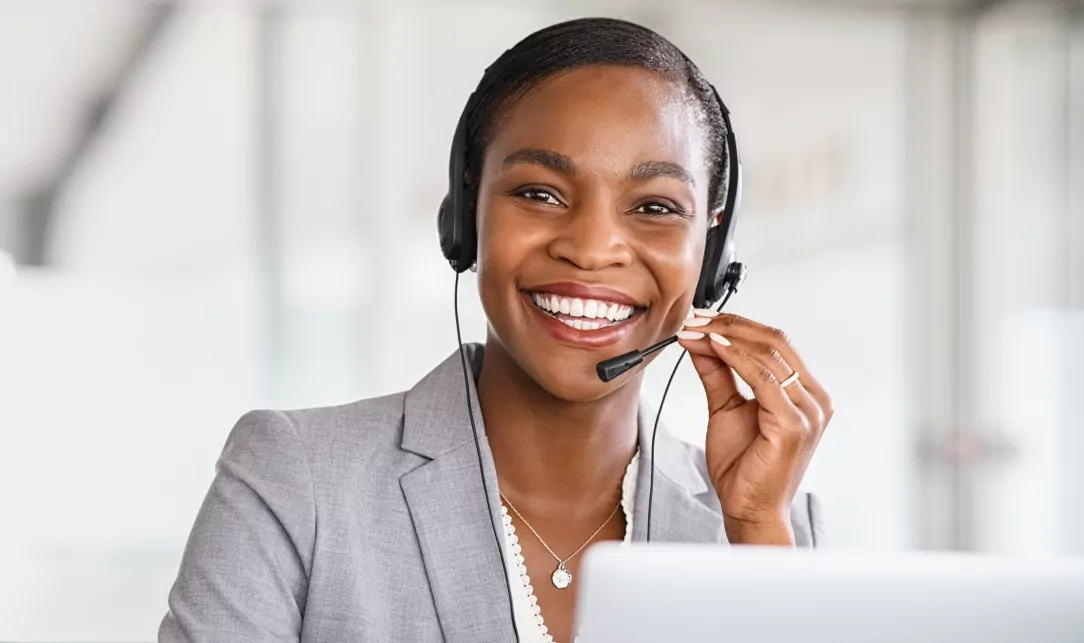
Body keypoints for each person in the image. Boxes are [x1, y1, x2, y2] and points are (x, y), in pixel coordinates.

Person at [159, 17, 832, 643]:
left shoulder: (777, 528)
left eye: (655, 206)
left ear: (711, 255)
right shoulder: (296, 479)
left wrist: (753, 530)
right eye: (540, 193)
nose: (593, 248)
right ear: (464, 216)